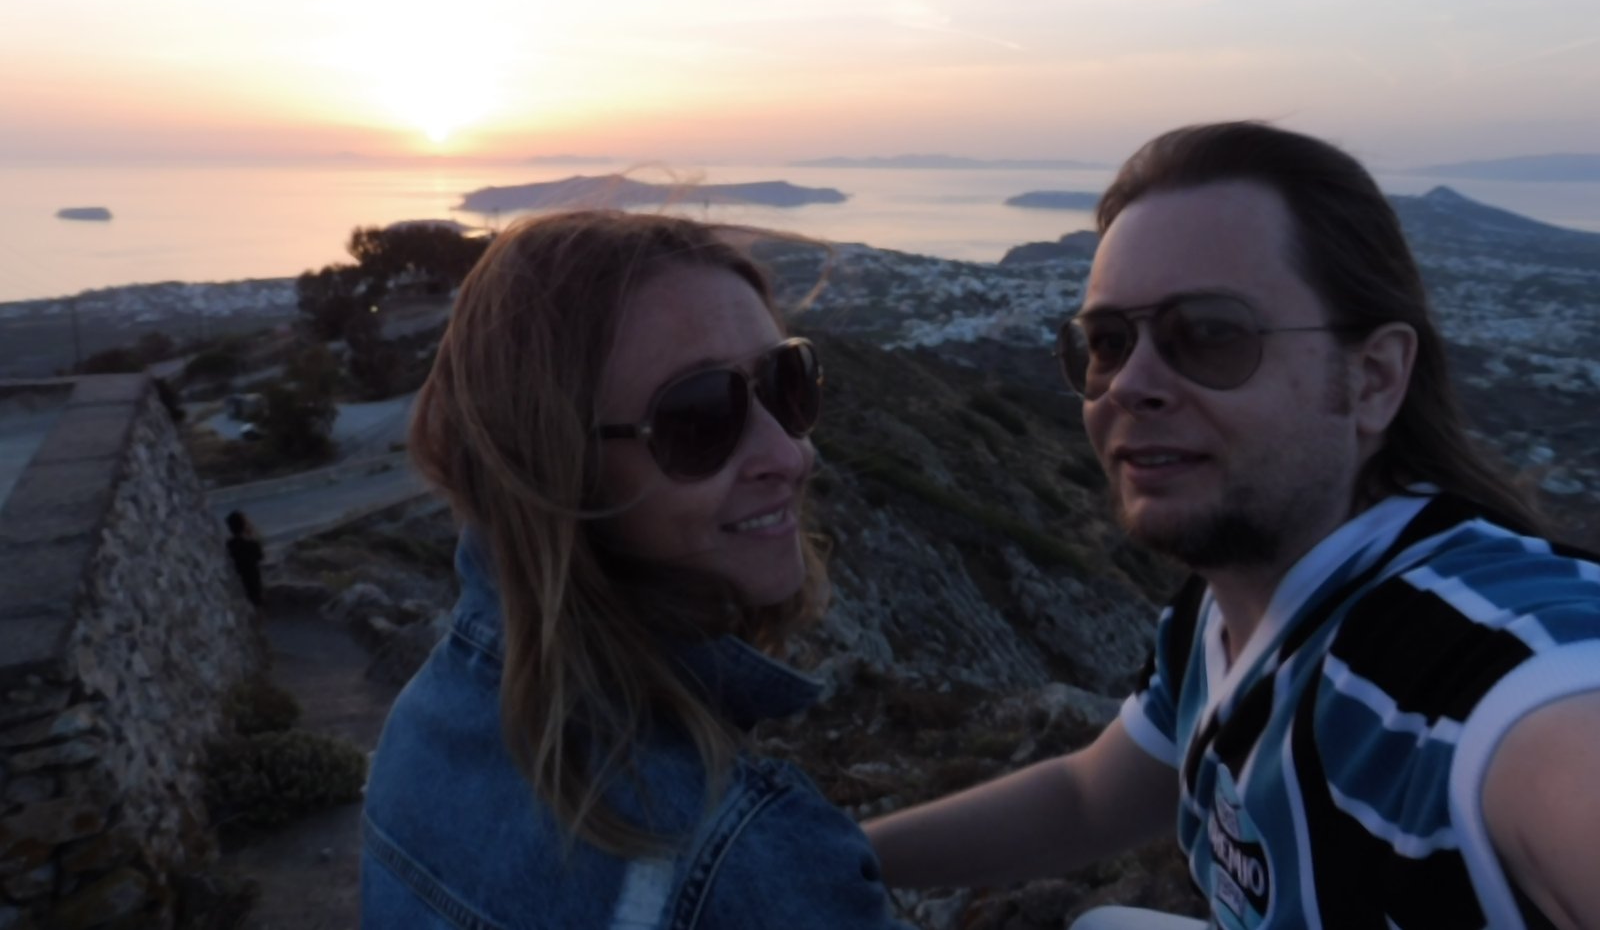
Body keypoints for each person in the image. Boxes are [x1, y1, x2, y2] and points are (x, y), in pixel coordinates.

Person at [864, 122, 1600, 930]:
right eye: (1107, 343)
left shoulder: (1478, 670)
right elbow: (1086, 797)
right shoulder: (1221, 610)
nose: (1129, 384)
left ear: (1374, 378)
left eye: (1211, 334)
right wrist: (829, 853)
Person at [361, 211, 908, 929]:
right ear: (559, 472)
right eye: (701, 416)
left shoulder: (423, 724)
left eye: (788, 382)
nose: (791, 453)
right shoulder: (734, 857)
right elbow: (736, 880)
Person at [224, 509, 264, 607]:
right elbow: (260, 556)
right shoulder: (250, 544)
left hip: (240, 581)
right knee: (257, 604)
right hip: (253, 581)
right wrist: (251, 535)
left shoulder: (230, 544)